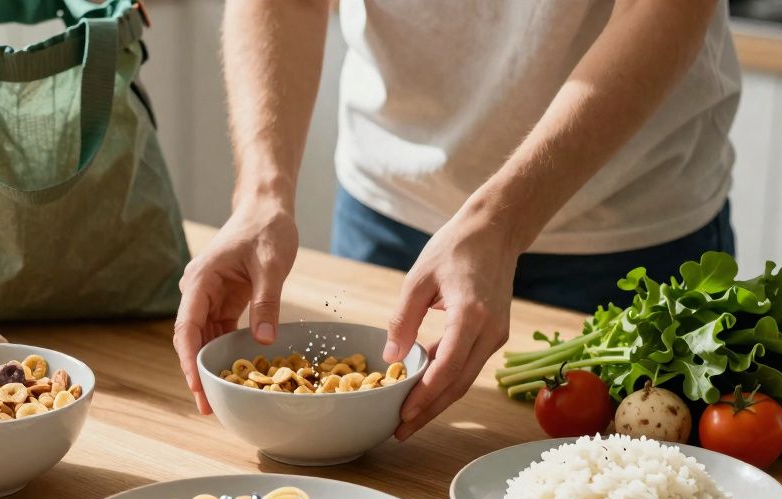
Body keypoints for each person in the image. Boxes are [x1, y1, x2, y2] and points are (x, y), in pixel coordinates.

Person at [173, 0, 741, 440]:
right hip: (387, 213)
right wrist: (262, 193)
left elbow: (661, 9)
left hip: (626, 230)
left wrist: (504, 219)